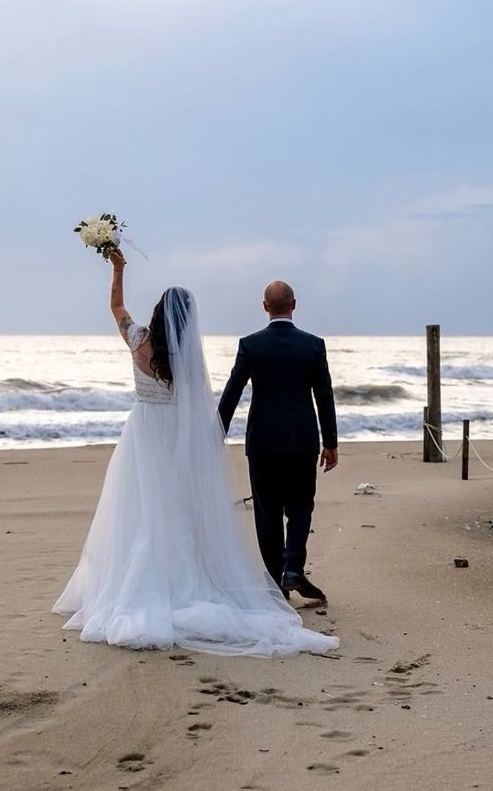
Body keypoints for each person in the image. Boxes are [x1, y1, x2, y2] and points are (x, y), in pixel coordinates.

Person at [52, 250, 338, 657]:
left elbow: (116, 307)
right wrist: (209, 438)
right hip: (183, 438)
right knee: (182, 508)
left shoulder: (138, 341)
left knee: (141, 508)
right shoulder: (188, 360)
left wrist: (118, 269)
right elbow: (209, 400)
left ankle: (146, 583)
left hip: (144, 436)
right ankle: (255, 573)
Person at [217, 280, 338, 602]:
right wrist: (331, 442)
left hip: (263, 442)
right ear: (294, 305)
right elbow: (324, 397)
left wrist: (215, 433)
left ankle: (275, 586)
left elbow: (232, 392)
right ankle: (293, 568)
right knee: (301, 507)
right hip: (301, 440)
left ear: (264, 306)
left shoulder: (251, 345)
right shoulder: (313, 345)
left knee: (267, 512)